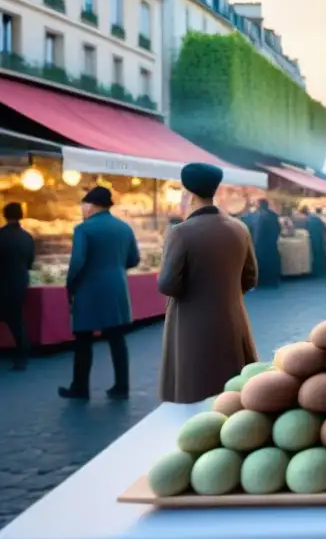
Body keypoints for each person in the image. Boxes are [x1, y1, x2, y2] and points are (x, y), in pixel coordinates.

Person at [158, 163, 258, 403]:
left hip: (191, 327)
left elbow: (168, 285)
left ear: (189, 194)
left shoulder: (181, 232)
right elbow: (251, 278)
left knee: (194, 394)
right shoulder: (239, 228)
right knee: (233, 394)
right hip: (233, 321)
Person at [62, 187, 140, 400]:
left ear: (91, 205)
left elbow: (77, 262)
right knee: (117, 339)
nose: (82, 209)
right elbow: (134, 259)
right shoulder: (124, 228)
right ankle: (121, 386)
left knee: (83, 340)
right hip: (116, 289)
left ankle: (80, 388)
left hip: (89, 291)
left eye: (83, 205)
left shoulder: (84, 229)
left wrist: (71, 285)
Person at [0, 202, 34, 370]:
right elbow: (30, 263)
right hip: (20, 282)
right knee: (16, 320)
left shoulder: (1, 235)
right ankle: (22, 356)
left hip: (2, 282)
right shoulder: (27, 237)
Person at [253, 199, 281, 288]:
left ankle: (263, 281)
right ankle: (273, 280)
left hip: (262, 244)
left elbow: (258, 231)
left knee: (262, 262)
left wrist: (255, 243)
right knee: (272, 260)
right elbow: (278, 228)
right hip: (272, 242)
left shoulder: (260, 216)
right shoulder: (273, 215)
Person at [305, 209, 326, 276]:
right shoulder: (317, 219)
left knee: (314, 253)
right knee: (320, 253)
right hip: (319, 238)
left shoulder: (309, 220)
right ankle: (321, 270)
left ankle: (316, 270)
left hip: (313, 238)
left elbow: (307, 230)